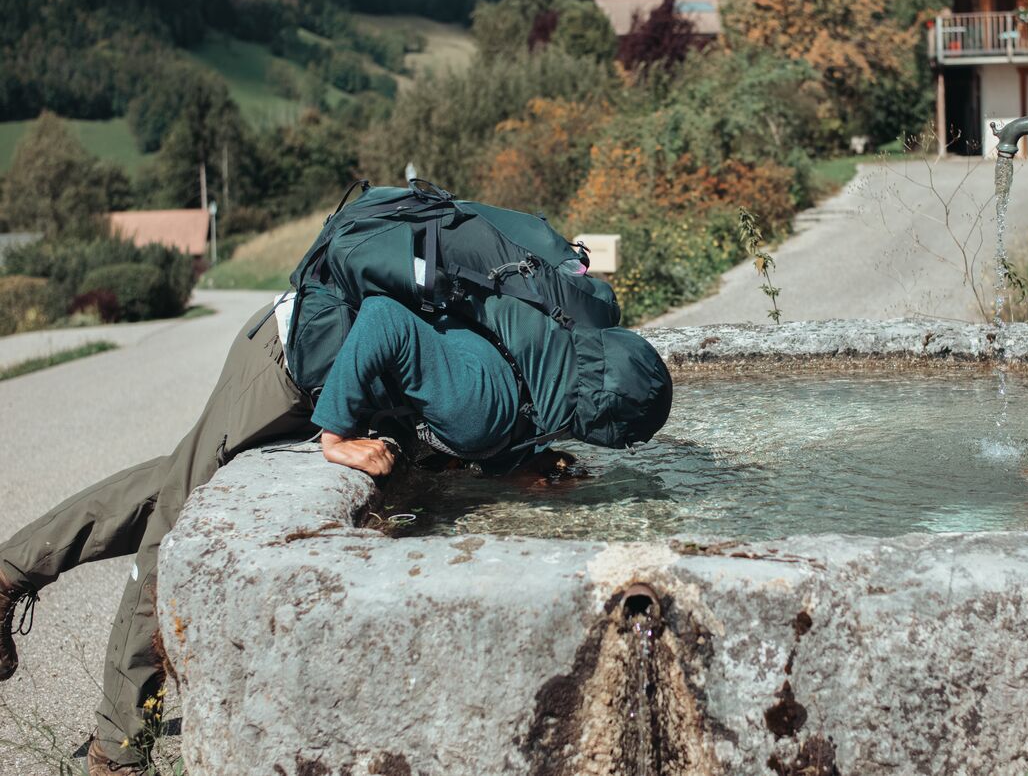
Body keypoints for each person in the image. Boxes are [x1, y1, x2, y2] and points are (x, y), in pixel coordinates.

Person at [0, 293, 671, 774]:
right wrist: (337, 436)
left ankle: (10, 570)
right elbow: (387, 325)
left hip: (316, 338)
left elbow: (452, 369)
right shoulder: (493, 404)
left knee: (166, 485)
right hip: (291, 358)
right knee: (172, 538)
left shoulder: (546, 363)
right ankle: (118, 753)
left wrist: (516, 468)